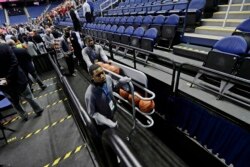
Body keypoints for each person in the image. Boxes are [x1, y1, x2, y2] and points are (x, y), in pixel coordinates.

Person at [0, 44, 43, 121]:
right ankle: (38, 109)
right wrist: (8, 77)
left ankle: (24, 116)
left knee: (14, 102)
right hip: (17, 78)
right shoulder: (5, 47)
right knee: (28, 96)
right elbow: (14, 62)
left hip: (3, 84)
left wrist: (4, 80)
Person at [85, 64, 130, 132]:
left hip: (111, 111)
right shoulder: (90, 94)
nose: (102, 76)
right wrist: (108, 122)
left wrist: (120, 82)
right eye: (98, 75)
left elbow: (113, 88)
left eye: (102, 72)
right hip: (102, 122)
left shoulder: (108, 78)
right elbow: (92, 113)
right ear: (92, 77)